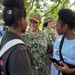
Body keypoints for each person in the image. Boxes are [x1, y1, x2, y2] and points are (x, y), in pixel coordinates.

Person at [0, 0, 33, 75]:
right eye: (25, 19)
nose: (27, 23)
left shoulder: (3, 39)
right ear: (22, 20)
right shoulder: (19, 50)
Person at [50, 9, 75, 75]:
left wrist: (70, 71)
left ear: (65, 26)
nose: (55, 28)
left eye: (57, 26)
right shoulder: (59, 37)